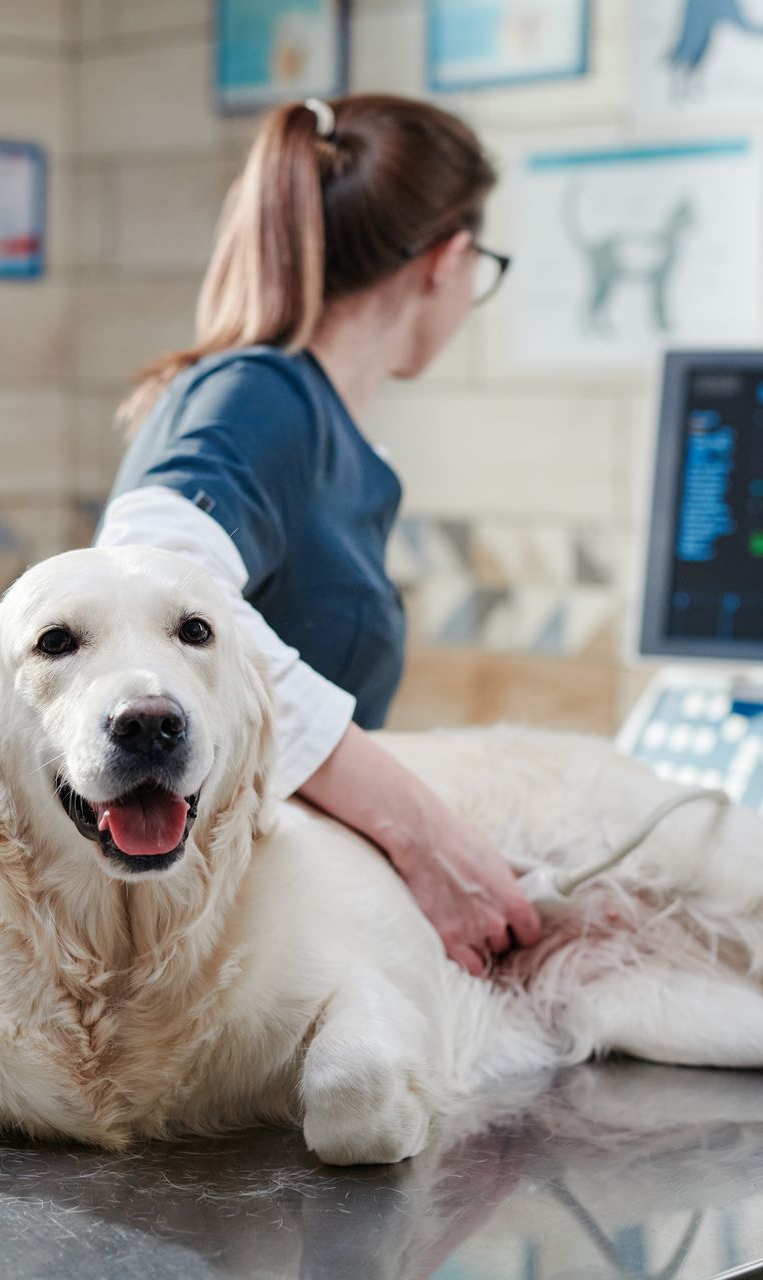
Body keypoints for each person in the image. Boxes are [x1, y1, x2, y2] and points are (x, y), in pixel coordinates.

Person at [94, 93, 539, 976]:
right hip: (217, 954)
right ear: (447, 261)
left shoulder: (312, 424)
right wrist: (424, 835)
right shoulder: (262, 396)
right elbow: (144, 578)